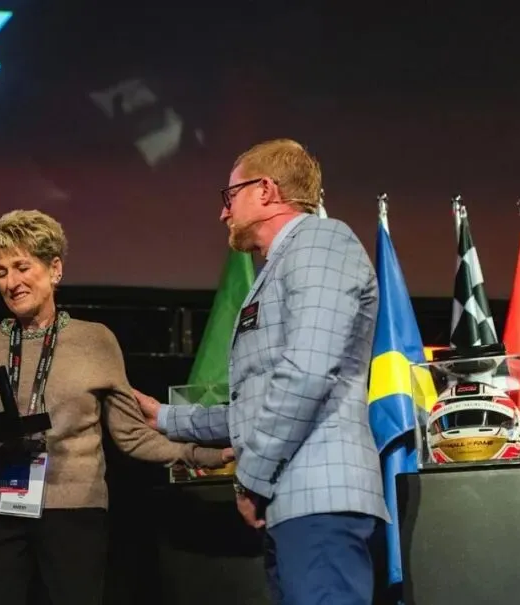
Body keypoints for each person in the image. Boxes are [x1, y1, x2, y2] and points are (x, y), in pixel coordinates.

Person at [135, 138, 389, 605]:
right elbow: (260, 400)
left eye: (230, 195)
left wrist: (250, 476)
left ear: (267, 190)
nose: (223, 212)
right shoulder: (282, 264)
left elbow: (307, 373)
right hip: (292, 504)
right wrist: (166, 417)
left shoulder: (321, 242)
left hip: (320, 498)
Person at [0, 209, 230, 605]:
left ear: (55, 269)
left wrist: (204, 454)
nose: (11, 282)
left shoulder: (96, 341)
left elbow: (132, 436)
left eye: (22, 267)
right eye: (1, 272)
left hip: (74, 511)